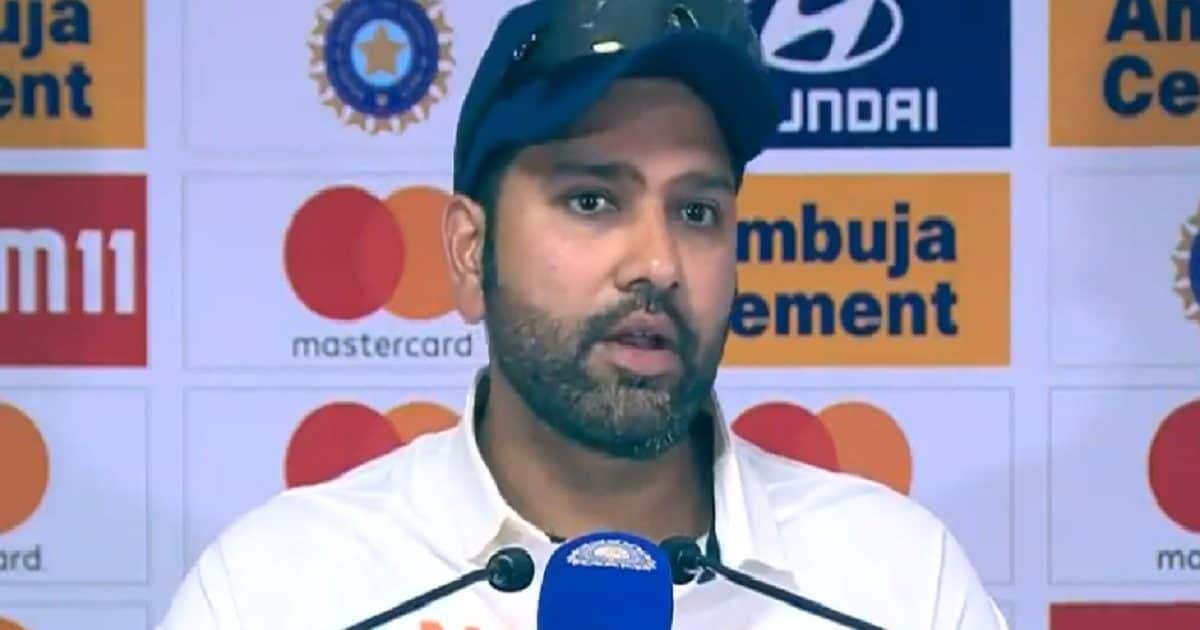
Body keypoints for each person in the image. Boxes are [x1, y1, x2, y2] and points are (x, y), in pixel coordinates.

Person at [159, 1, 1009, 628]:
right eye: (592, 200)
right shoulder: (273, 592)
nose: (658, 264)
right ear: (469, 252)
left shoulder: (900, 584)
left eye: (698, 211)